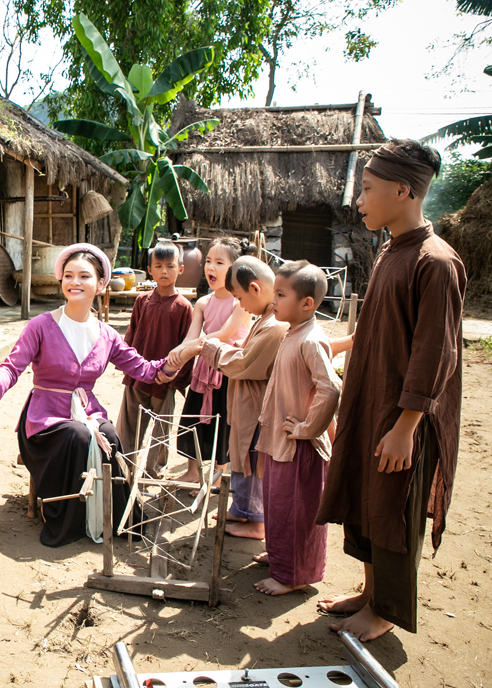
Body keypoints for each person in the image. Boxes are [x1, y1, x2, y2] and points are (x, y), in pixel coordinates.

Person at [316, 140, 466, 640]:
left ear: (403, 191)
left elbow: (434, 353)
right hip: (370, 399)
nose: (359, 200)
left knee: (392, 508)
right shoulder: (390, 250)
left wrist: (406, 427)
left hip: (403, 414)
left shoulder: (435, 261)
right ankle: (370, 591)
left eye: (368, 188)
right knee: (365, 497)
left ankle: (386, 611)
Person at [0, 244, 166, 548]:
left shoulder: (107, 335)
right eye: (68, 275)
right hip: (44, 422)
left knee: (107, 435)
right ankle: (65, 520)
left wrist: (180, 358)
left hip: (88, 415)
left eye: (84, 276)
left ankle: (113, 518)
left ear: (100, 283)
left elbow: (145, 370)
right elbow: (11, 366)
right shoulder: (41, 325)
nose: (75, 282)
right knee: (78, 436)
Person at [254, 261, 341, 596]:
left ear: (307, 303)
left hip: (300, 446)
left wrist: (308, 428)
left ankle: (294, 576)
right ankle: (279, 558)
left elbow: (330, 388)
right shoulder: (293, 333)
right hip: (282, 440)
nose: (273, 300)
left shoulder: (311, 340)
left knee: (296, 511)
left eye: (280, 294)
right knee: (277, 504)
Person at [196, 256, 289, 540]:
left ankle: (256, 520)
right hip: (247, 405)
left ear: (255, 288)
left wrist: (210, 348)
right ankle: (241, 508)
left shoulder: (275, 324)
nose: (240, 306)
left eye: (239, 298)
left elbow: (245, 363)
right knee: (240, 454)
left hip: (260, 408)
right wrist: (237, 344)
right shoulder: (265, 318)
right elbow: (249, 349)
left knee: (252, 458)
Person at [165, 238, 252, 485]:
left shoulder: (241, 302)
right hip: (203, 369)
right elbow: (191, 336)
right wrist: (178, 352)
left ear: (235, 268)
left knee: (222, 421)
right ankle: (193, 472)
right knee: (192, 418)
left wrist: (189, 347)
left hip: (228, 369)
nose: (210, 268)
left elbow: (224, 334)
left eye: (219, 262)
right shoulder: (203, 302)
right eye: (209, 261)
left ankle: (217, 474)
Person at [114, 241, 194, 477]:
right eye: (158, 266)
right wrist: (127, 365)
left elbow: (187, 347)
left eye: (170, 266)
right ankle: (123, 467)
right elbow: (130, 336)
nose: (164, 271)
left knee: (162, 429)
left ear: (180, 269)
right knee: (128, 426)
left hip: (166, 380)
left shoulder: (184, 307)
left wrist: (175, 380)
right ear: (149, 270)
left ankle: (154, 472)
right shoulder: (142, 301)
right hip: (137, 376)